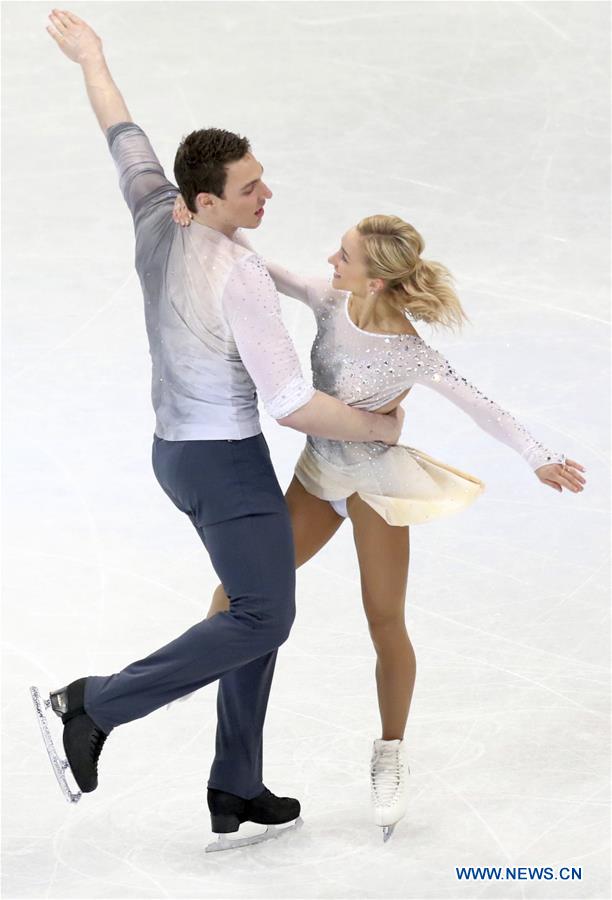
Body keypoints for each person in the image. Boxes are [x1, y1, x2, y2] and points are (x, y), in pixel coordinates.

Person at [32, 9, 404, 852]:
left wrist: (92, 57)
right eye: (249, 189)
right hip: (226, 465)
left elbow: (118, 128)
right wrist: (374, 425)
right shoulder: (236, 275)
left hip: (175, 456)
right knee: (264, 617)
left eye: (262, 179)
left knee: (252, 603)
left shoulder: (155, 207)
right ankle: (95, 704)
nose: (267, 195)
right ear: (207, 199)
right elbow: (292, 404)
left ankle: (234, 786)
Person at [172, 199, 587, 841]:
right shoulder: (330, 297)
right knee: (235, 594)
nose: (328, 260)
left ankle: (389, 753)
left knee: (384, 619)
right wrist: (199, 222)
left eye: (343, 255)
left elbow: (483, 406)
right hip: (317, 476)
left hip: (372, 487)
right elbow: (255, 267)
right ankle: (183, 681)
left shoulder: (412, 355)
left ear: (376, 280)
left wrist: (540, 456)